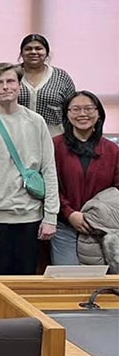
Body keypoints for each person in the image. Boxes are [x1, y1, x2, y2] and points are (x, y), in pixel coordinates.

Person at [0, 62, 58, 275]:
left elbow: (49, 170)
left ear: (20, 86)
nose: (5, 87)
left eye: (10, 81)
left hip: (31, 218)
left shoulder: (36, 121)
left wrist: (50, 217)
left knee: (26, 280)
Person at [51, 91, 119, 265]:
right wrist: (70, 213)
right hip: (64, 225)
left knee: (100, 284)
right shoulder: (54, 146)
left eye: (89, 108)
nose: (82, 114)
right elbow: (49, 186)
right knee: (69, 282)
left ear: (98, 114)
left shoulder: (112, 150)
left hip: (102, 229)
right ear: (67, 114)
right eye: (75, 109)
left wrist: (97, 216)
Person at [17, 34, 76, 136]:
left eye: (39, 48)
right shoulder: (11, 74)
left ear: (47, 53)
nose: (34, 52)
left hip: (53, 137)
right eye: (28, 49)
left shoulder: (61, 76)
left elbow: (73, 107)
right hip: (16, 136)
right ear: (21, 53)